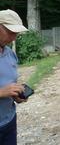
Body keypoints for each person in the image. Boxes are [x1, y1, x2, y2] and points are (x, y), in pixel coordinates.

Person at [0, 9, 28, 145]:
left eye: (16, 33)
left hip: (9, 121)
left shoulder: (10, 54)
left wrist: (15, 94)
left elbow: (9, 83)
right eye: (11, 32)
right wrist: (1, 92)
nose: (14, 37)